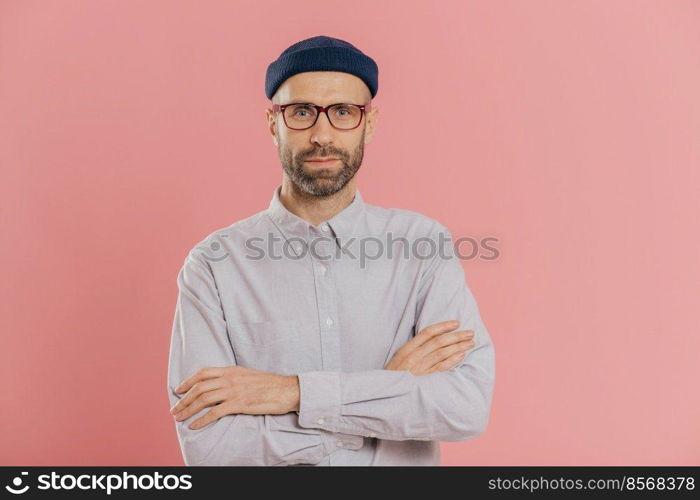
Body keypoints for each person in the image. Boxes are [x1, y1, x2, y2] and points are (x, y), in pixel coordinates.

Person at [166, 35, 495, 466]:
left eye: (343, 112)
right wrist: (388, 388)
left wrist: (292, 392)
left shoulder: (422, 247)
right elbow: (211, 450)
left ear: (369, 124)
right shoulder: (214, 265)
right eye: (301, 112)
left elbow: (465, 407)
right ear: (273, 123)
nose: (322, 135)